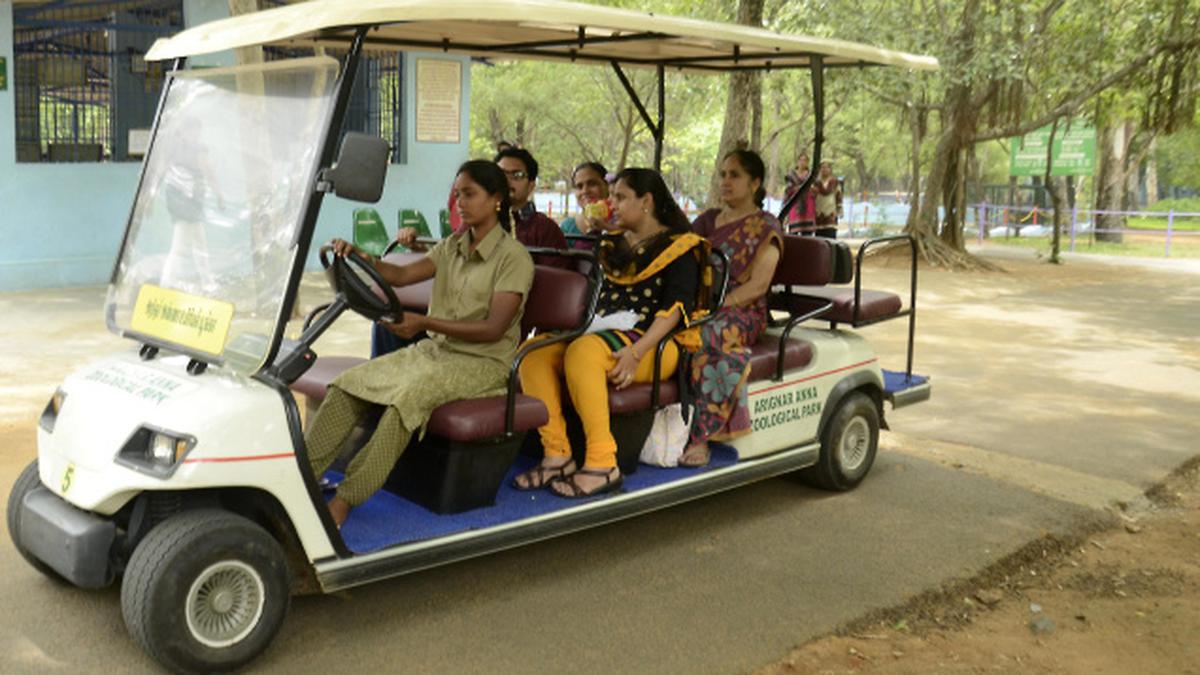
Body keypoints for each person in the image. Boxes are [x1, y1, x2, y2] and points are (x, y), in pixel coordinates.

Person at [305, 160, 534, 526]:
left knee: (406, 399)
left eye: (469, 194)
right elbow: (401, 274)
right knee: (347, 385)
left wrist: (424, 322)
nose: (460, 202)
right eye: (457, 194)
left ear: (496, 200)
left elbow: (493, 329)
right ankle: (302, 480)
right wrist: (365, 256)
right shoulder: (452, 246)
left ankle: (346, 500)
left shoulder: (513, 257)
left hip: (483, 364)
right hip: (435, 352)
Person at [516, 168, 705, 498]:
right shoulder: (611, 244)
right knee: (532, 353)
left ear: (646, 201)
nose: (610, 203)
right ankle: (557, 454)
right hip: (603, 335)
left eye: (620, 197)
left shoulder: (682, 247)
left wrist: (636, 352)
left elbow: (675, 312)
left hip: (657, 345)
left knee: (583, 352)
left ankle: (603, 462)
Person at [679, 150, 783, 467]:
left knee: (709, 335)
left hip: (741, 311)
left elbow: (758, 287)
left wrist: (715, 306)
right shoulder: (707, 221)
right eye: (723, 174)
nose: (725, 181)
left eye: (735, 175)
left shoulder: (765, 227)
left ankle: (702, 436)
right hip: (700, 304)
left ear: (754, 183)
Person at [559, 161, 616, 241]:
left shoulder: (623, 221)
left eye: (592, 184)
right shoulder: (567, 227)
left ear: (607, 186)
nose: (585, 191)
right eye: (579, 186)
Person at [783, 152, 815, 234]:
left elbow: (816, 188)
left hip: (808, 203)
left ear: (807, 162)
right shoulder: (791, 175)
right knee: (794, 231)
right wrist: (797, 188)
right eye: (801, 160)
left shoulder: (811, 175)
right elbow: (788, 189)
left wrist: (812, 189)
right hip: (794, 202)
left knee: (807, 232)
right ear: (797, 161)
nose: (802, 162)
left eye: (805, 160)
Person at [813, 161, 842, 238]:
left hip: (831, 215)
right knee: (819, 241)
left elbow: (838, 196)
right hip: (819, 216)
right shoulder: (816, 183)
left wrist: (840, 209)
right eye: (822, 167)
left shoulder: (834, 182)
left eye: (826, 167)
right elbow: (812, 198)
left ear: (830, 169)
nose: (824, 169)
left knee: (831, 241)